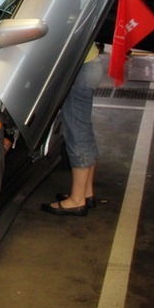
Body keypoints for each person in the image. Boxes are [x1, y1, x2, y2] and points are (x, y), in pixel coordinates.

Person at [41, 44, 102, 216]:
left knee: (76, 134)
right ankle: (86, 193)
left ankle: (76, 201)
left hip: (80, 70)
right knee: (84, 129)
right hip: (90, 65)